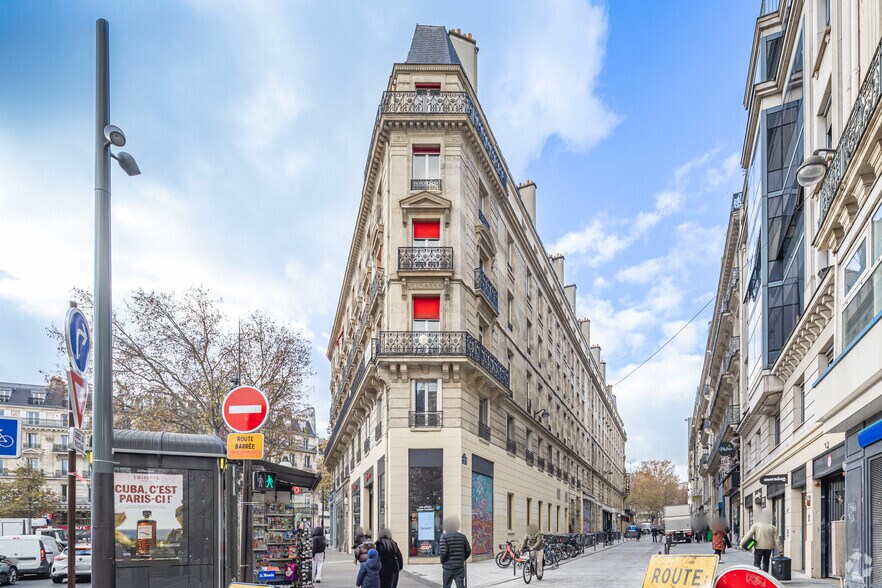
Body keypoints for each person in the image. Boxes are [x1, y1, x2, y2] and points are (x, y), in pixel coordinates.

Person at [438, 517, 471, 588]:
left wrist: (442, 561)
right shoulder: (462, 536)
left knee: (446, 586)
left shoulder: (444, 536)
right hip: (460, 567)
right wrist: (462, 559)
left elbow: (443, 552)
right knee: (460, 585)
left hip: (448, 567)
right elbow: (468, 550)